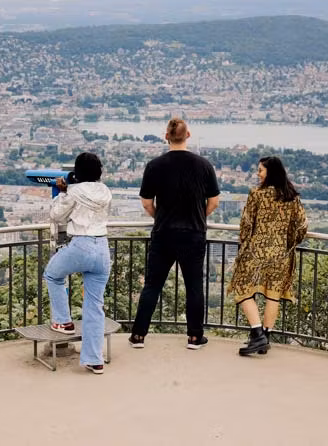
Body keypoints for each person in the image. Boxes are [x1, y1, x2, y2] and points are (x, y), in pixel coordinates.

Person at [129, 118, 220, 350]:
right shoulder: (204, 165)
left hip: (164, 233)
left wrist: (160, 217)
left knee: (152, 285)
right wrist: (199, 216)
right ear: (187, 135)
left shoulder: (155, 165)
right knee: (194, 286)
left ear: (165, 136)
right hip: (193, 233)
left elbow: (147, 203)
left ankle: (138, 335)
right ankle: (194, 336)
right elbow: (214, 202)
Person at [229, 156, 308, 356]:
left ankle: (257, 333)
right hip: (280, 254)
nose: (258, 174)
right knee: (273, 295)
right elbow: (301, 226)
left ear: (269, 172)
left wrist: (244, 245)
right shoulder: (291, 197)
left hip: (256, 252)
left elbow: (246, 224)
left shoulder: (257, 194)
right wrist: (289, 243)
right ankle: (265, 338)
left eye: (260, 170)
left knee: (242, 288)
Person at [43, 152, 112, 374]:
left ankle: (63, 321)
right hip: (102, 248)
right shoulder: (105, 192)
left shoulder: (74, 192)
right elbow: (89, 193)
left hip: (81, 244)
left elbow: (56, 215)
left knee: (53, 274)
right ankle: (94, 359)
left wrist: (63, 192)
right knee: (94, 305)